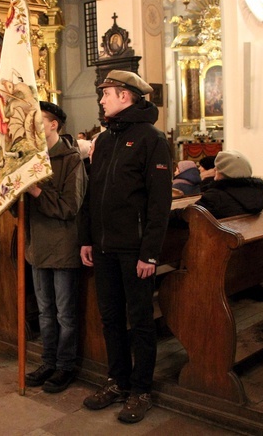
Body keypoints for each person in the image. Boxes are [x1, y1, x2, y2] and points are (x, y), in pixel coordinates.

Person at [78, 70, 173, 424]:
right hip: (102, 247)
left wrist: (150, 253)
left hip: (134, 250)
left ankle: (140, 389)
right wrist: (86, 237)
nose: (101, 100)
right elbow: (92, 193)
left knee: (140, 321)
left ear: (125, 96)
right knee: (111, 318)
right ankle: (117, 381)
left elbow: (158, 203)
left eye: (106, 94)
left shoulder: (151, 139)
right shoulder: (104, 139)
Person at [24, 102, 87, 393]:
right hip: (38, 245)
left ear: (53, 125)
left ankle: (65, 366)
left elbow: (70, 207)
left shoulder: (70, 158)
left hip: (62, 245)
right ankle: (48, 361)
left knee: (65, 314)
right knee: (45, 312)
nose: (34, 125)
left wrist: (36, 191)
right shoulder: (31, 158)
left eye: (40, 120)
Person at [171, 150, 263, 224]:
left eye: (217, 170)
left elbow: (190, 216)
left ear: (221, 172)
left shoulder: (216, 197)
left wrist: (164, 215)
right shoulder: (257, 194)